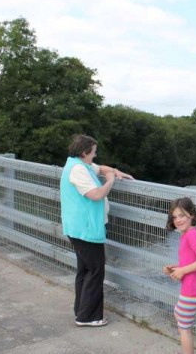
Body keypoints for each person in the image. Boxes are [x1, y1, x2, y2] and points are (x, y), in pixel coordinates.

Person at [60, 134, 134, 327]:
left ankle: (82, 311)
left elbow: (100, 168)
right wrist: (110, 181)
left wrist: (115, 171)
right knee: (95, 270)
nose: (96, 154)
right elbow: (96, 194)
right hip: (85, 229)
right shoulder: (77, 169)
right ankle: (89, 317)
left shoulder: (79, 164)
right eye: (93, 151)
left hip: (80, 227)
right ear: (85, 152)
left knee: (85, 270)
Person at [163, 197, 196, 354]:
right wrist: (176, 267)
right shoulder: (186, 234)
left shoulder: (191, 234)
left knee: (184, 328)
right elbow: (192, 260)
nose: (178, 220)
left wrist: (183, 271)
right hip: (192, 287)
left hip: (193, 289)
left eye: (182, 215)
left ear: (192, 215)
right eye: (175, 216)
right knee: (178, 314)